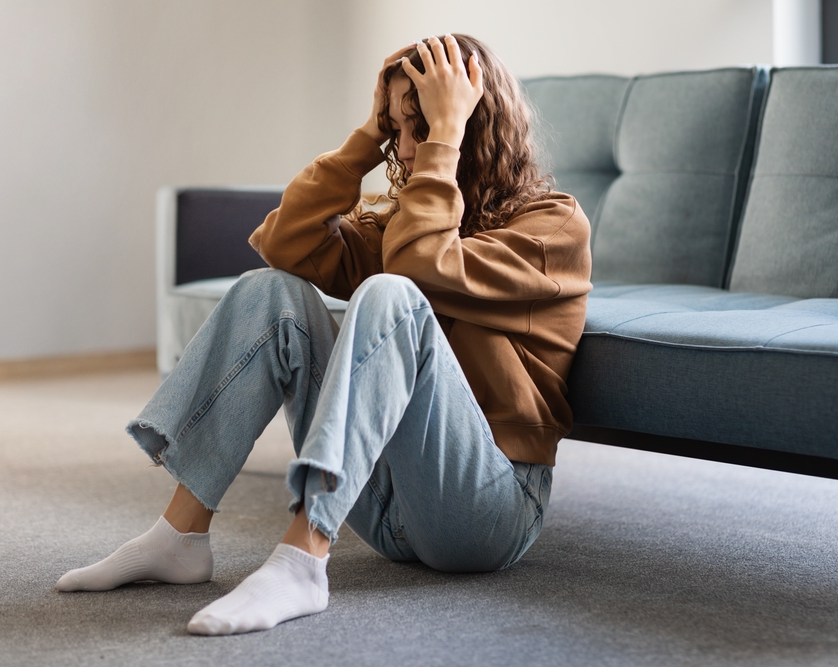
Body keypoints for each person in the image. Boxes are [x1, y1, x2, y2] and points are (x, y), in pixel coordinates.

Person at [56, 34, 591, 635]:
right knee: (270, 290)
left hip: (488, 510)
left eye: (425, 127)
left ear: (472, 122)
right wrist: (368, 138)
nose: (408, 150)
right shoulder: (400, 219)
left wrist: (443, 140)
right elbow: (285, 243)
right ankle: (180, 536)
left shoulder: (552, 227)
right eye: (399, 130)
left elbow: (421, 267)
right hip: (384, 505)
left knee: (392, 293)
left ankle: (301, 561)